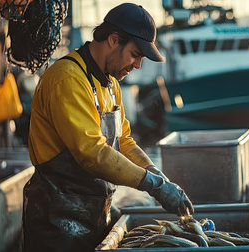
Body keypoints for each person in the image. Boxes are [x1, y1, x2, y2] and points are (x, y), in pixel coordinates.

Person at [22, 3, 194, 252]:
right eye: (135, 54)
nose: (138, 65)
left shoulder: (110, 84)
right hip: (56, 224)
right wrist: (152, 185)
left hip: (94, 217)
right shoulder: (68, 78)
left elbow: (123, 140)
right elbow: (92, 153)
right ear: (114, 40)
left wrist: (156, 173)